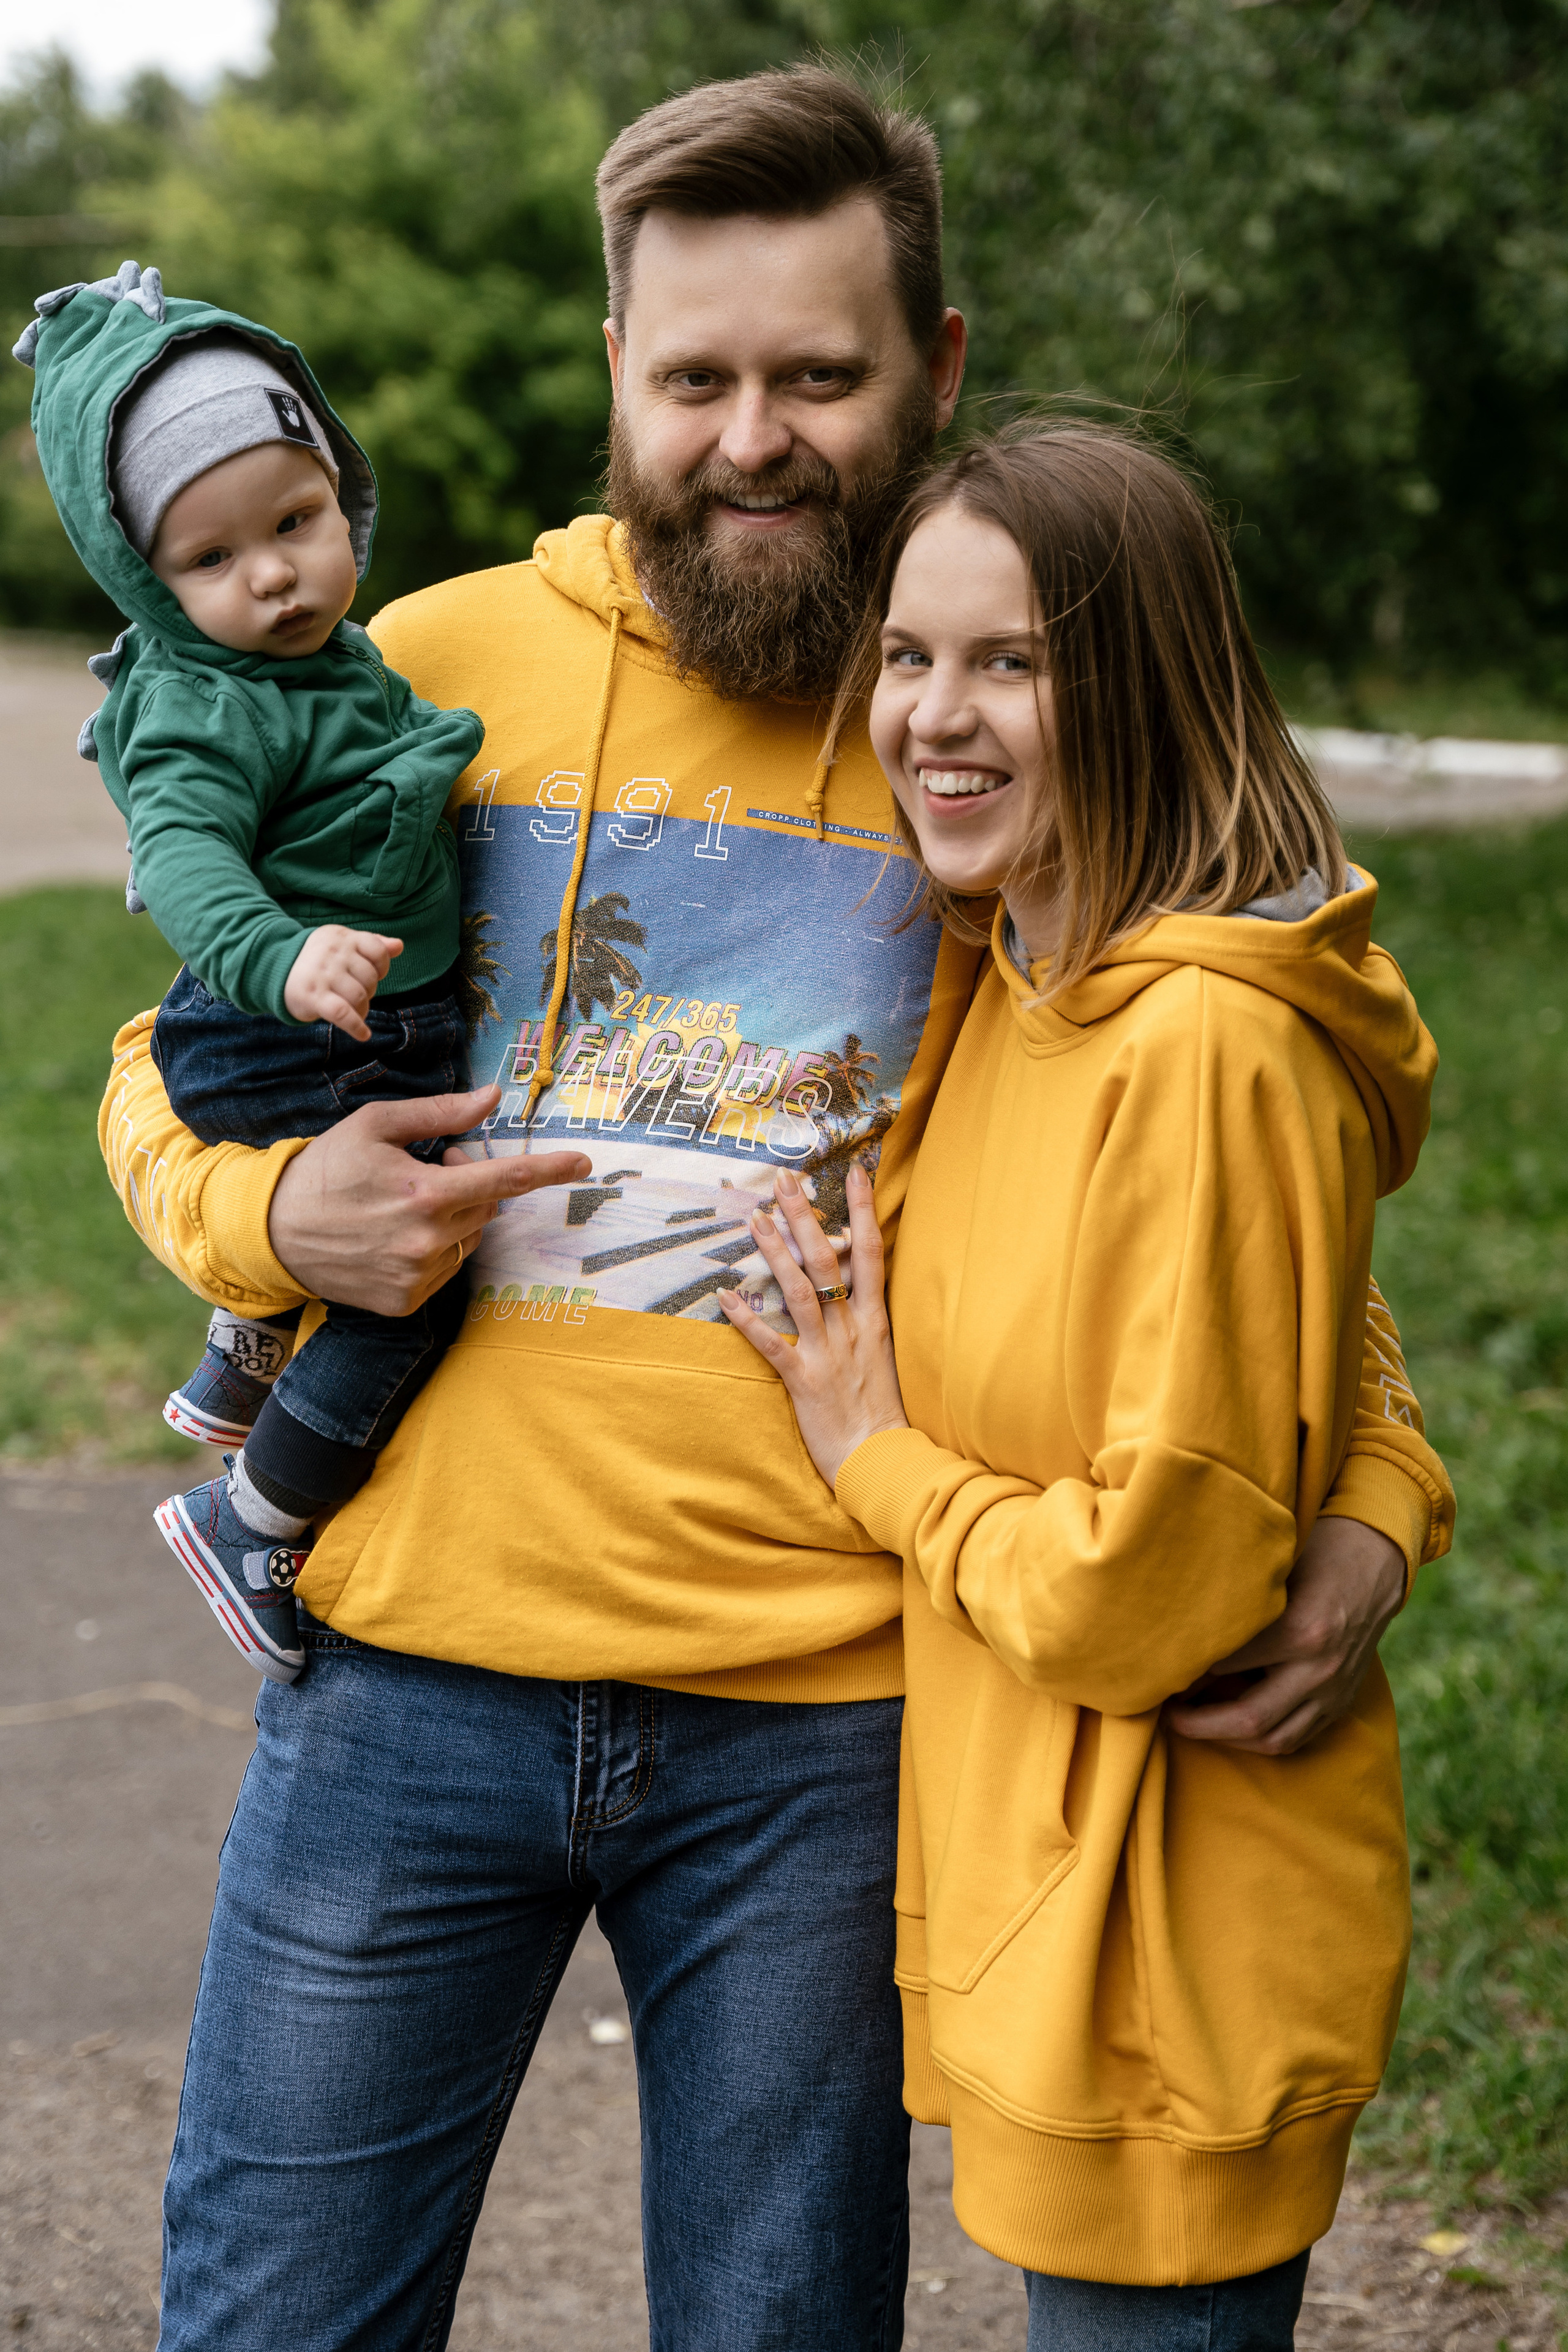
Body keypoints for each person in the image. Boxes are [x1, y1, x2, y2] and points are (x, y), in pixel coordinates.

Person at [95, 68, 1452, 2352]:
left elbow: (1230, 1164)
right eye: (695, 374)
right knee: (272, 2319)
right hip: (414, 1677)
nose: (751, 436)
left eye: (817, 376)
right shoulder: (411, 672)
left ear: (930, 368)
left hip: (830, 1723)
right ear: (615, 365)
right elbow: (163, 1069)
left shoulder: (1004, 718)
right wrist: (266, 1223)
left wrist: (1384, 1494)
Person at [718, 423, 1442, 2347]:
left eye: (1014, 662)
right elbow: (1324, 1324)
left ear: (1143, 686)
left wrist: (876, 1457)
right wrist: (1383, 1504)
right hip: (1058, 1928)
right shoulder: (1009, 977)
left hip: (1172, 1959)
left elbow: (1151, 1592)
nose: (937, 719)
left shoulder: (1203, 1044)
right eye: (909, 655)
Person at [15, 267, 532, 1684]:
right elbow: (181, 864)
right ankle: (250, 1520)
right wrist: (282, 951)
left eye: (298, 524)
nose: (274, 576)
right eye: (211, 561)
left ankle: (243, 1355)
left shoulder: (335, 664)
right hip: (283, 1029)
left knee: (362, 1208)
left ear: (337, 493)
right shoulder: (198, 703)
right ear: (147, 579)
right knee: (407, 1291)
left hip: (357, 1019)